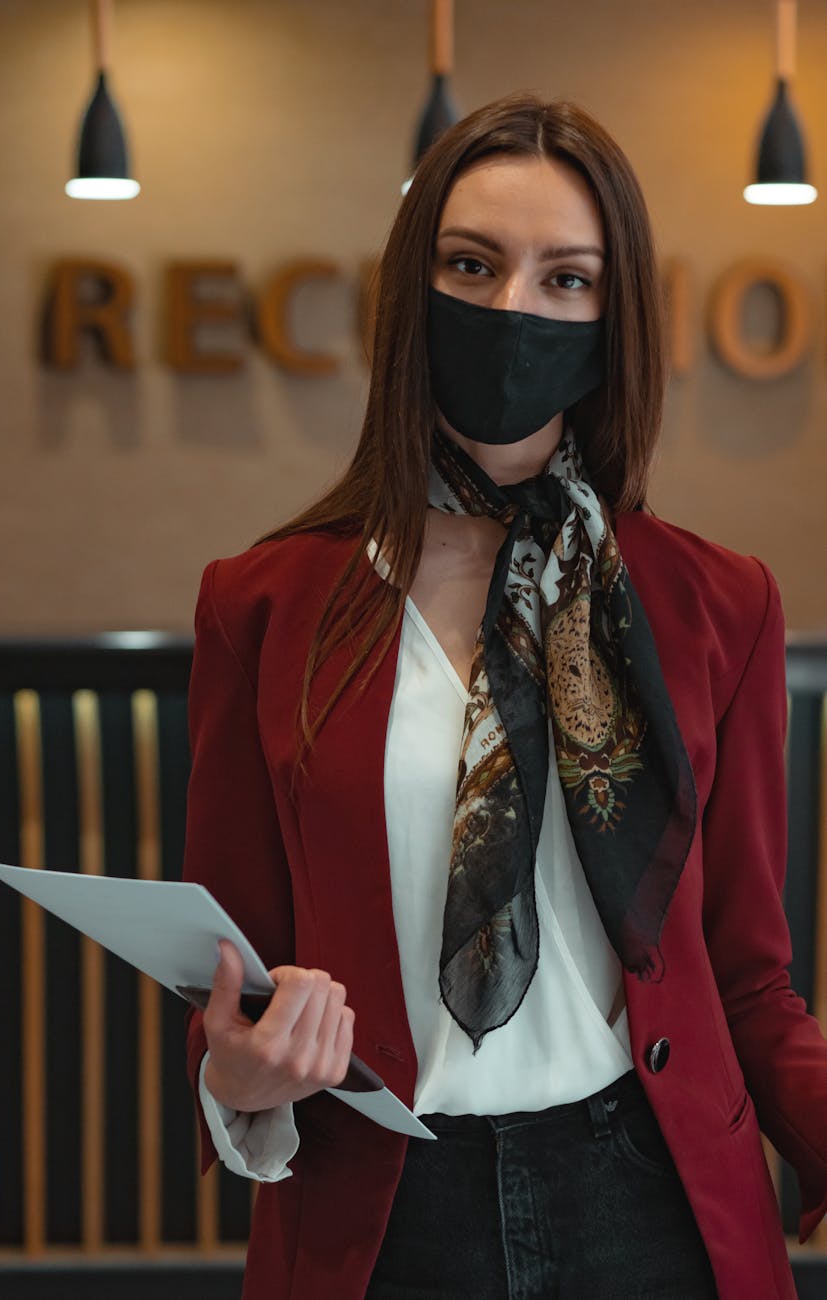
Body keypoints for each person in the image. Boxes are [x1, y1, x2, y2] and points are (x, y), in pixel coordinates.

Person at [182, 92, 827, 1299]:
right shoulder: (261, 607)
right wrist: (235, 1079)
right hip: (384, 1216)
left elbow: (747, 977)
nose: (513, 310)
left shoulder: (716, 605)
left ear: (613, 314)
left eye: (566, 279)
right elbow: (228, 971)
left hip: (655, 1202)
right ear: (407, 291)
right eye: (471, 264)